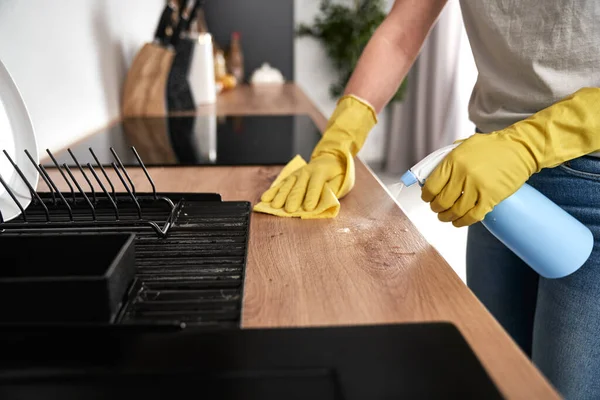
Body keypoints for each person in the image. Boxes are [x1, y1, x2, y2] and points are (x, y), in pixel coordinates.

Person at [259, 1, 600, 398]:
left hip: (589, 183)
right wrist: (340, 138)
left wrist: (530, 143)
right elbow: (403, 29)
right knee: (495, 376)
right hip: (488, 173)